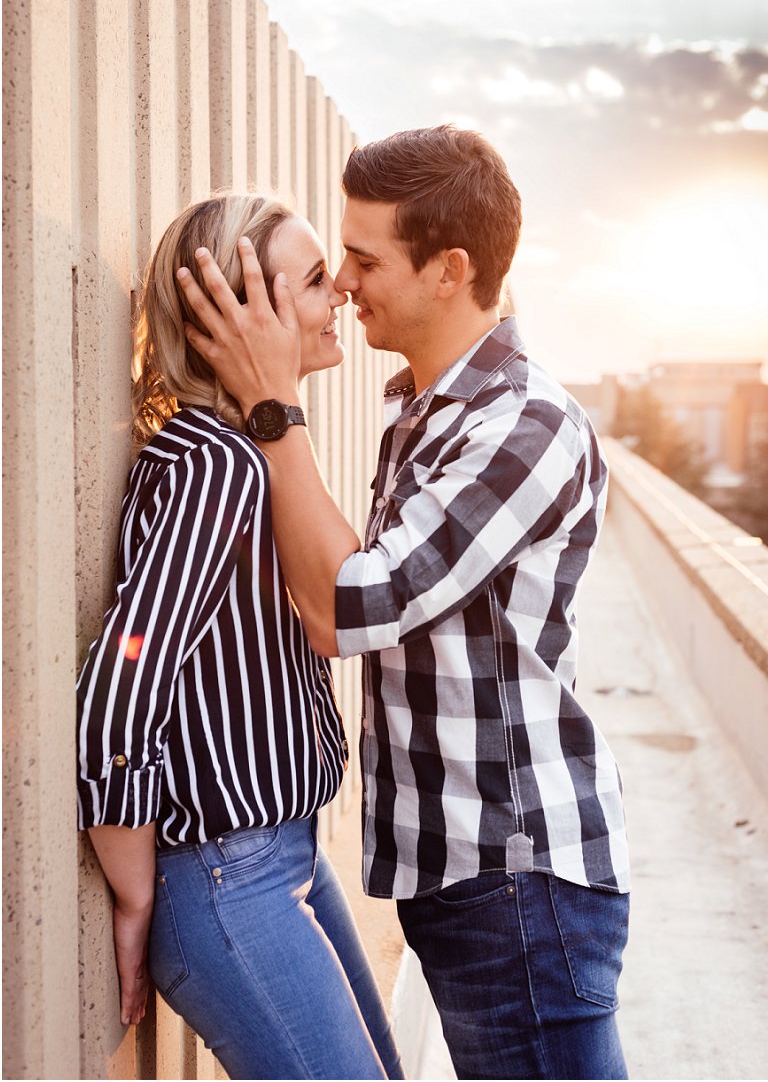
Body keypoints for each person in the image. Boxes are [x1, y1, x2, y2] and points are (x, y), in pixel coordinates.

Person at [179, 126, 631, 1081]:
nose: (344, 283)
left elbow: (346, 609)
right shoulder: (419, 410)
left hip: (515, 878)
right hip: (464, 877)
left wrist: (272, 405)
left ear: (449, 270)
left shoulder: (524, 424)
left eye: (365, 258)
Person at [75, 194, 403, 1082]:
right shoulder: (217, 465)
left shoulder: (249, 450)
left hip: (283, 854)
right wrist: (136, 894)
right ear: (237, 310)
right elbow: (123, 678)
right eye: (313, 279)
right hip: (227, 879)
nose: (339, 291)